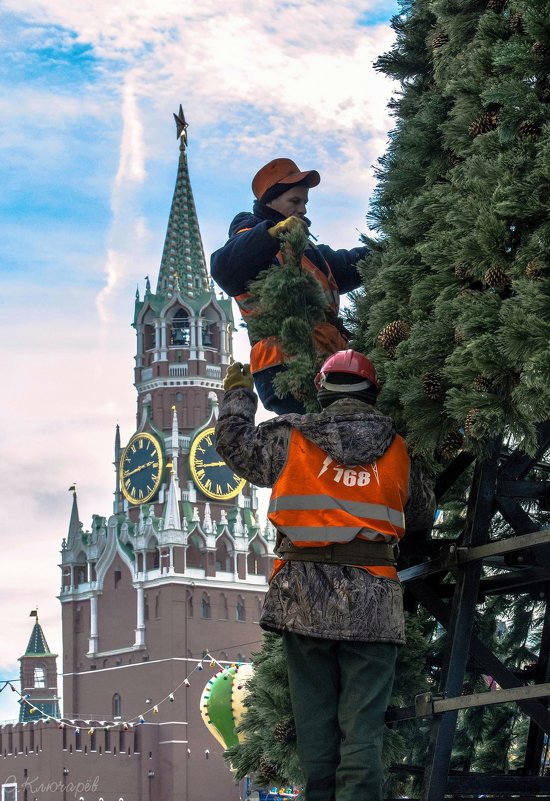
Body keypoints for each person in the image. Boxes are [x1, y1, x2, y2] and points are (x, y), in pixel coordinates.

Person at [215, 350, 435, 801]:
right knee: (362, 733)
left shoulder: (290, 438)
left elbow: (236, 447)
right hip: (374, 604)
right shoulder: (399, 449)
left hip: (303, 601)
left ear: (322, 390)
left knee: (316, 733)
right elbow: (422, 511)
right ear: (373, 393)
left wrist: (238, 396)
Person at [210, 158, 370, 414]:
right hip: (284, 369)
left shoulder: (311, 253)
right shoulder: (249, 232)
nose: (303, 210)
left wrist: (385, 250)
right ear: (270, 202)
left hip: (327, 363)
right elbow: (224, 268)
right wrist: (271, 234)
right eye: (295, 202)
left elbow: (347, 264)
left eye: (305, 202)